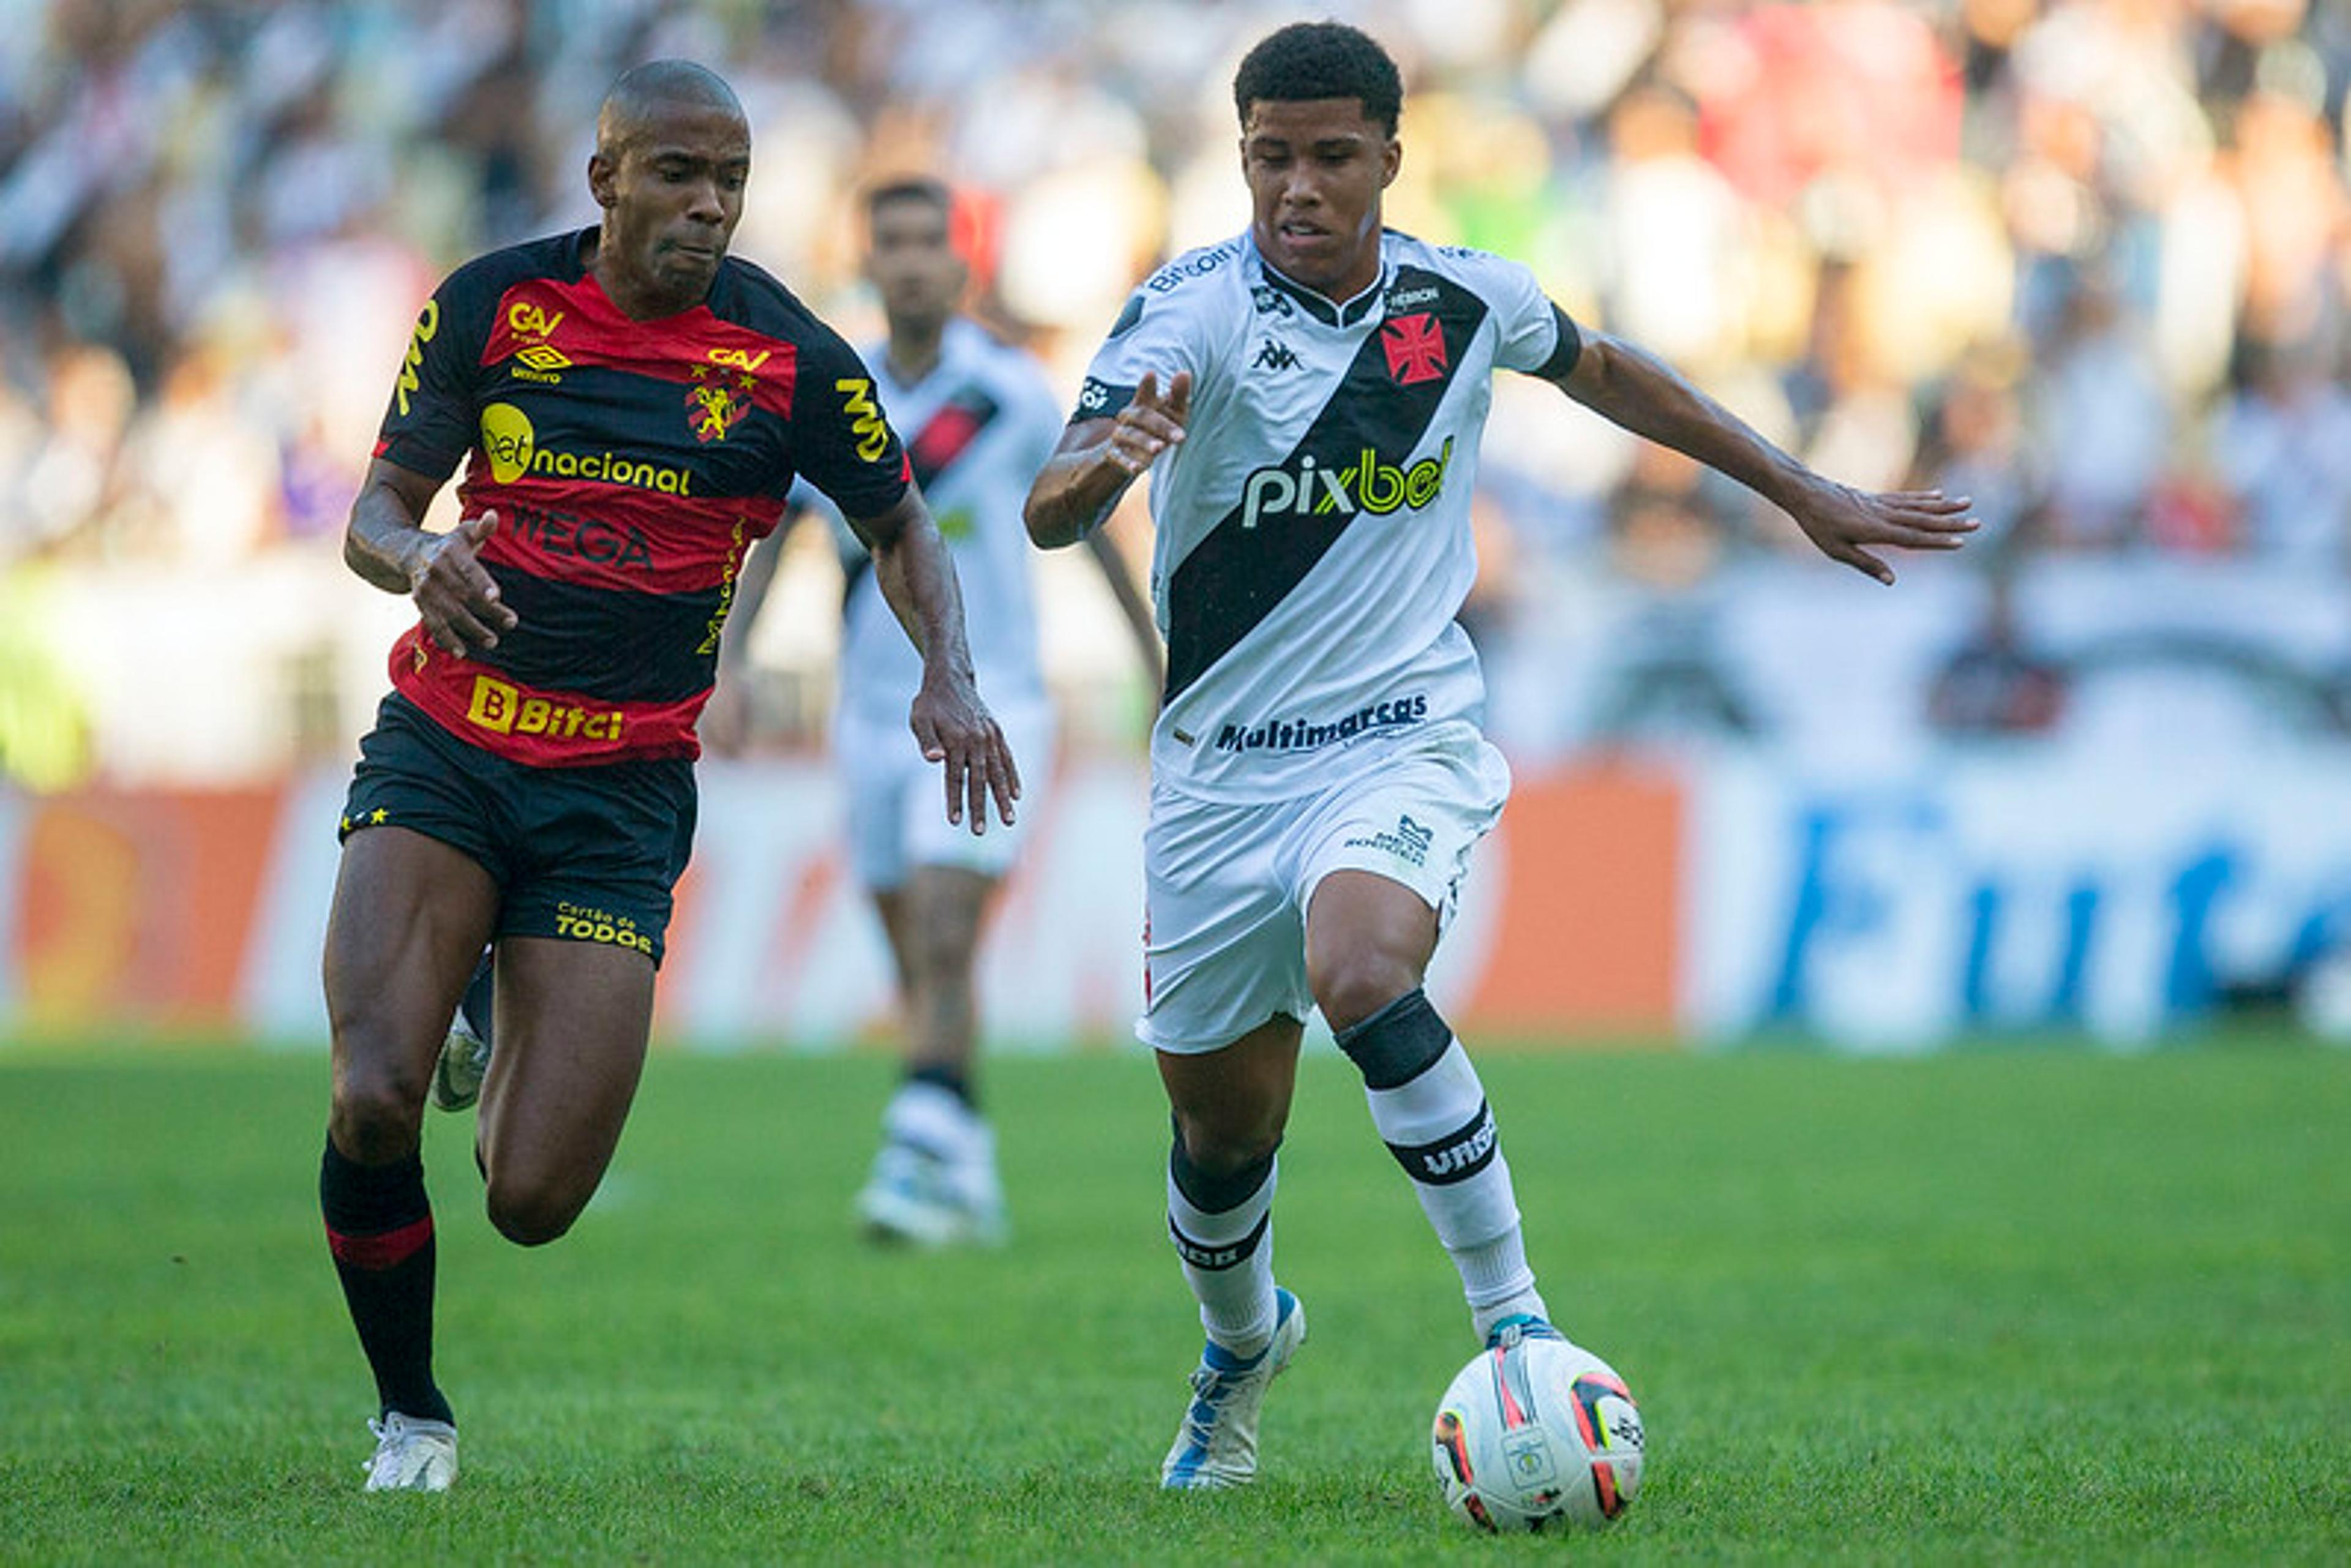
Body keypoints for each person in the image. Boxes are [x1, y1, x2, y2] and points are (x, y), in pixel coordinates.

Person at [1023, 20, 1975, 1490]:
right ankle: (1240, 1352)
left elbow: (1605, 369)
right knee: (1224, 1140)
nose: (1298, 187)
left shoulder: (1463, 300)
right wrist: (1093, 475)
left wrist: (1796, 486)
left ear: (1391, 160)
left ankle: (1518, 1327)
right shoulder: (1188, 315)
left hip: (1398, 740)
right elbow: (1052, 501)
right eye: (1271, 157)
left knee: (1363, 973)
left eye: (1332, 156)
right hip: (1219, 774)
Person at [319, 61, 1018, 1493]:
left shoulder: (796, 361)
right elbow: (378, 509)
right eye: (679, 176)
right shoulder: (490, 304)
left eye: (732, 182)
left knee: (530, 1201)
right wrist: (416, 557)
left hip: (617, 798)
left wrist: (948, 675)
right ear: (606, 181)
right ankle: (411, 1415)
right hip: (448, 746)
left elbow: (903, 529)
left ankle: (485, 985)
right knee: (375, 1092)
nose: (709, 207)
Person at [705, 176, 1163, 1245]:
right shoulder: (832, 389)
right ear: (868, 261)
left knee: (949, 929)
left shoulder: (1011, 394)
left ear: (962, 266)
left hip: (994, 703)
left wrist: (1156, 664)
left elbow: (1094, 535)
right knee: (916, 956)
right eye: (892, 241)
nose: (911, 260)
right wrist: (728, 663)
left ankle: (913, 1163)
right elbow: (777, 543)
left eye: (929, 242)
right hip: (868, 717)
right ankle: (967, 1160)